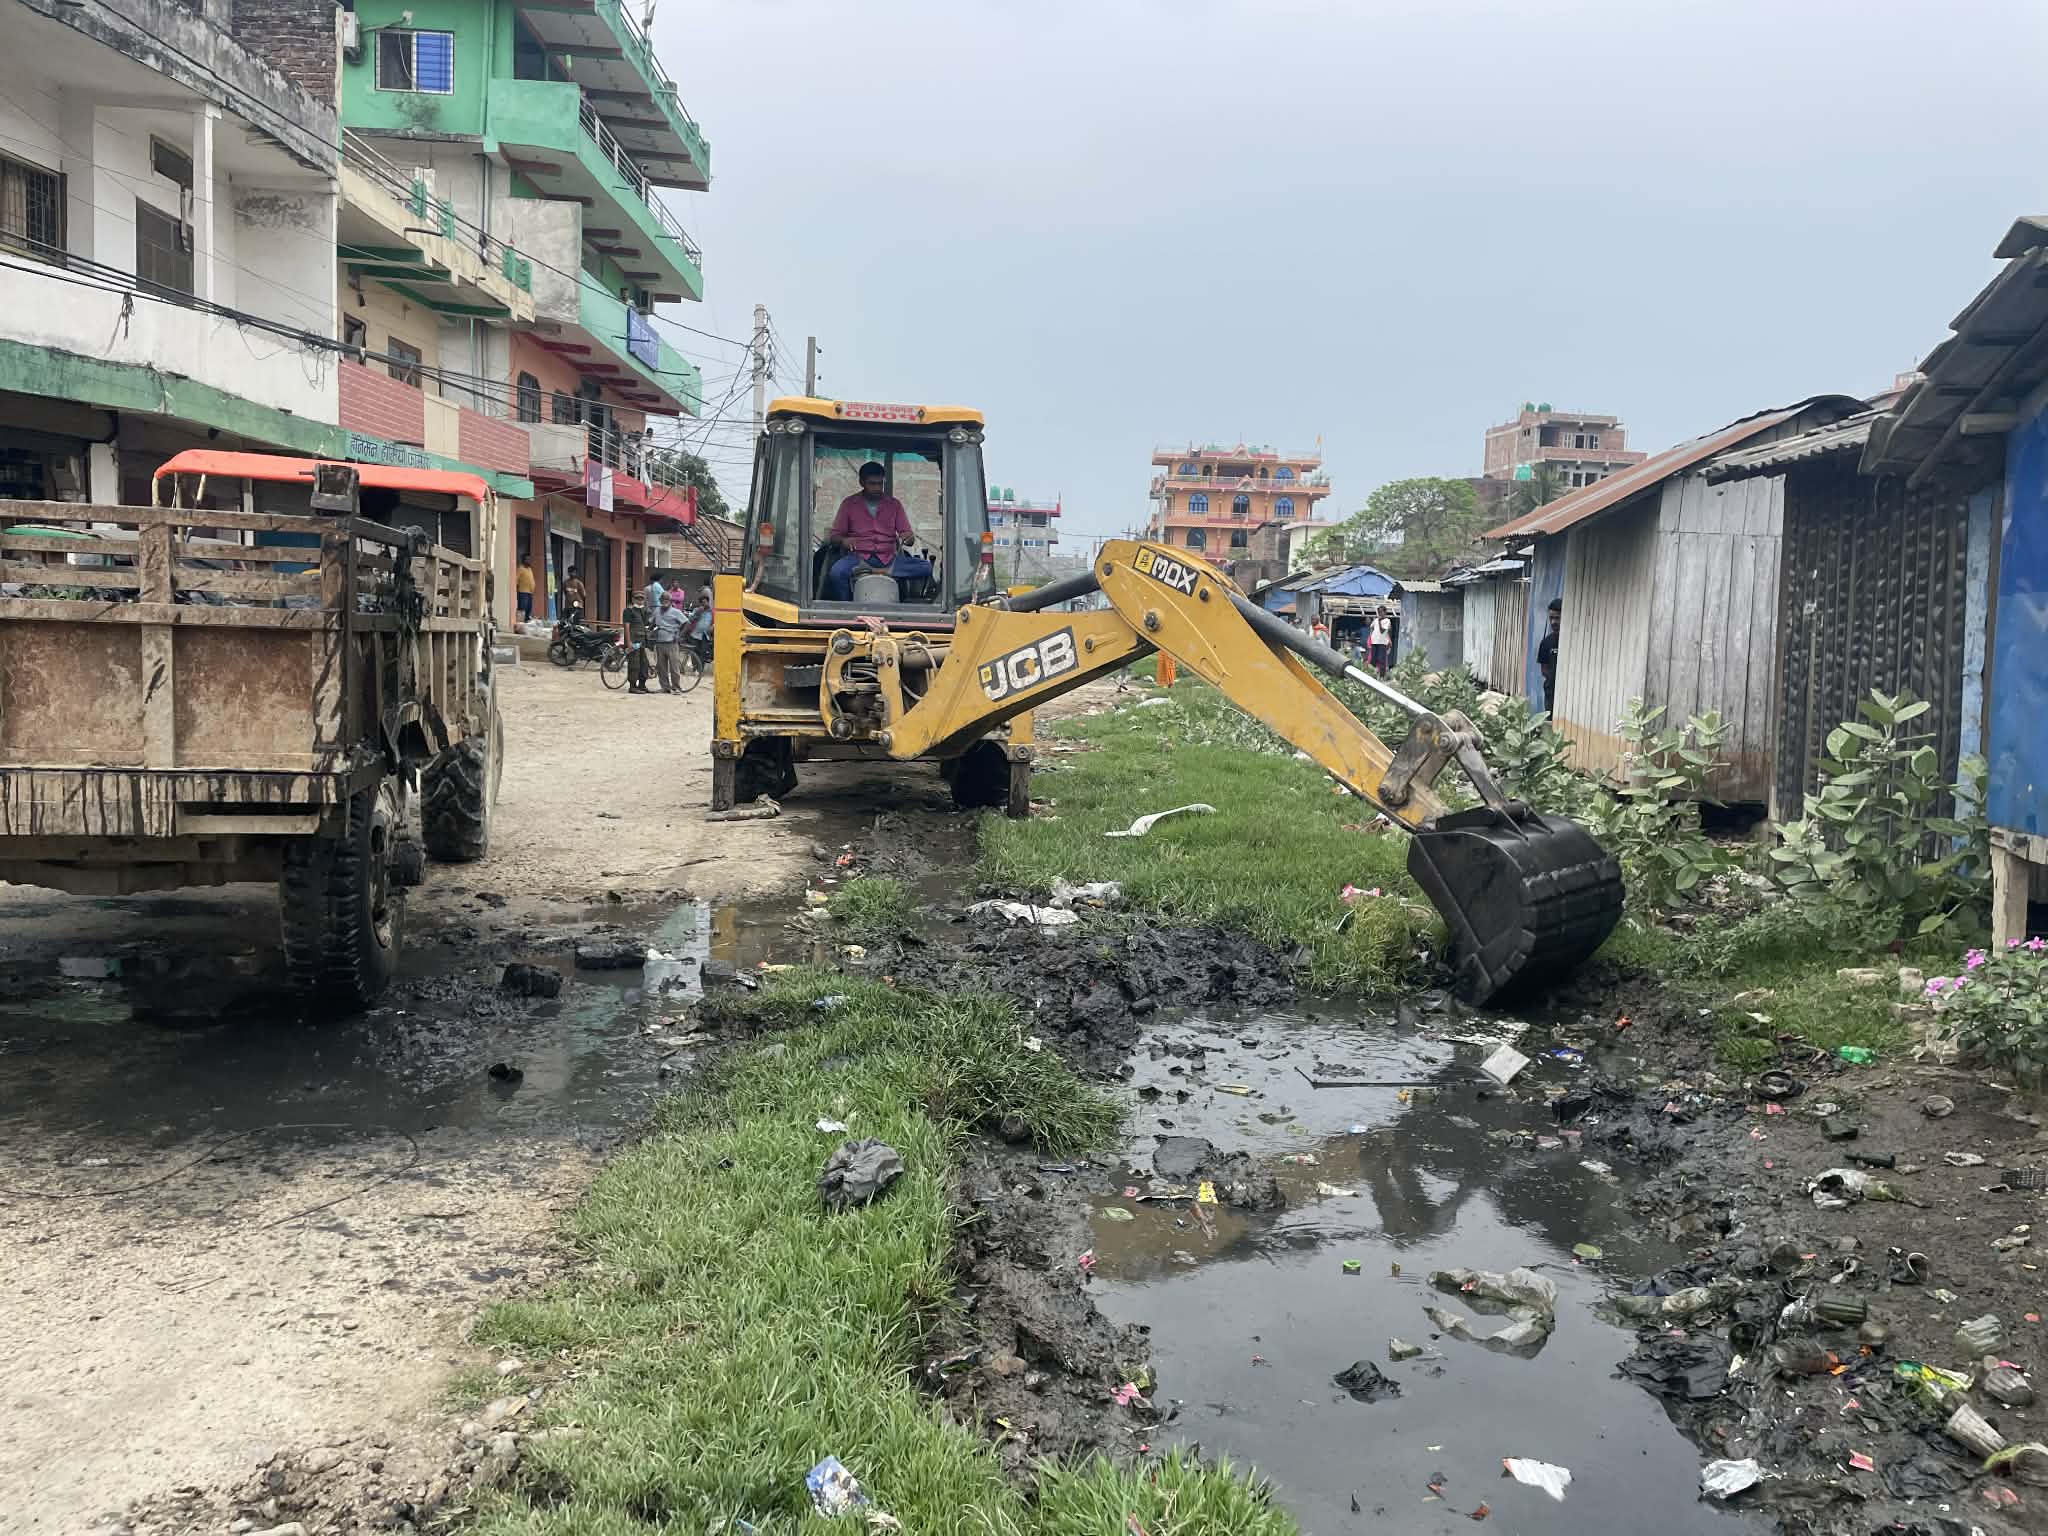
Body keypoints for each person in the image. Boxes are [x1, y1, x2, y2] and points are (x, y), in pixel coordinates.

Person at [823, 461, 917, 600]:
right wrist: (843, 541)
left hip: (889, 560)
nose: (877, 488)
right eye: (872, 484)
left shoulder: (894, 505)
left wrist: (908, 538)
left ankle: (886, 575)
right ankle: (847, 608)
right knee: (836, 573)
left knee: (925, 568)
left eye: (880, 483)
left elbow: (908, 536)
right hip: (857, 559)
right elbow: (834, 536)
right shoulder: (849, 504)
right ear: (861, 482)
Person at [651, 589, 689, 693]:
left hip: (671, 642)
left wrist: (680, 636)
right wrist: (650, 629)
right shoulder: (657, 611)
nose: (665, 601)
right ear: (660, 600)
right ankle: (665, 687)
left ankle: (676, 687)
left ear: (670, 601)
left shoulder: (676, 612)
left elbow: (686, 623)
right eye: (663, 599)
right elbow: (652, 622)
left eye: (667, 599)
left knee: (674, 667)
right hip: (660, 642)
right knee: (661, 667)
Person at [621, 590, 652, 693]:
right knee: (634, 664)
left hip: (642, 641)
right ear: (633, 599)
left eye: (642, 598)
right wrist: (628, 642)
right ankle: (633, 687)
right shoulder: (628, 611)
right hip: (633, 641)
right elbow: (626, 627)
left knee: (644, 664)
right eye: (637, 598)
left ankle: (642, 685)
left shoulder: (646, 611)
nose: (640, 600)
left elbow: (648, 624)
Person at [1537, 597, 1561, 715]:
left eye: (1557, 618)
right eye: (1551, 618)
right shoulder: (1546, 643)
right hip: (1551, 694)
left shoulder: (1573, 641)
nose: (1553, 622)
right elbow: (1544, 670)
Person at [1369, 605, 1394, 677]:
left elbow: (1382, 631)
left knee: (1381, 660)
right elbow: (1371, 627)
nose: (1379, 613)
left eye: (1381, 612)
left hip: (1382, 643)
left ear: (1385, 612)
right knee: (1373, 660)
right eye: (1378, 612)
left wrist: (1379, 621)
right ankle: (1372, 676)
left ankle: (1382, 677)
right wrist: (1371, 636)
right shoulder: (1375, 620)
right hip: (1374, 642)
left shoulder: (1387, 621)